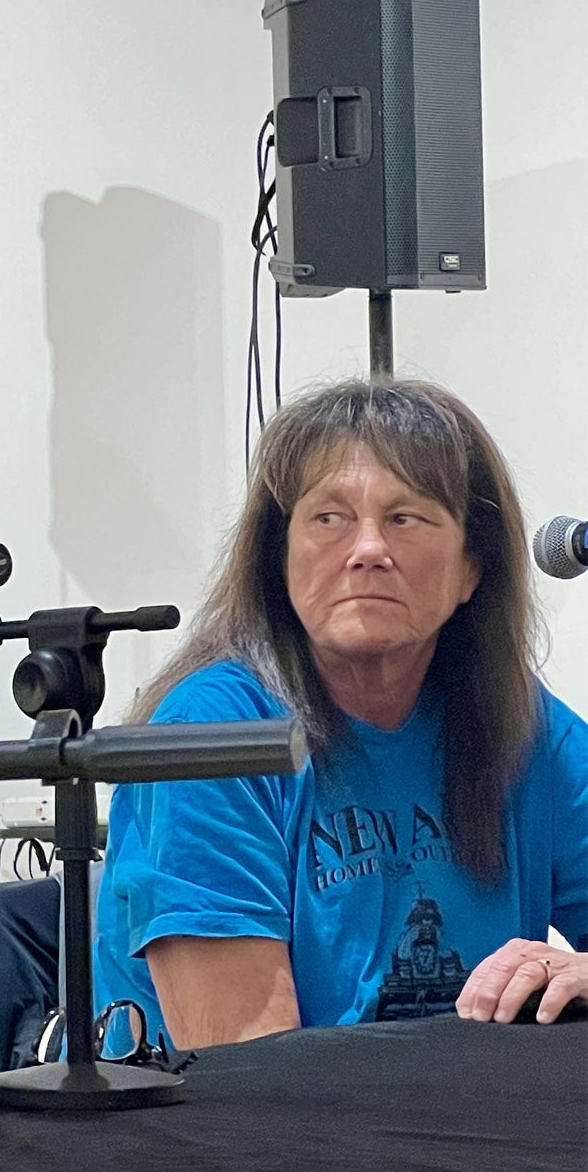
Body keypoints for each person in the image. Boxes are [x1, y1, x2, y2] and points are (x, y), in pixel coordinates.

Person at [95, 378, 588, 1052]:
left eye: (405, 518)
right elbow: (244, 1071)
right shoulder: (211, 736)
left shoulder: (524, 727)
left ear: (474, 566)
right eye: (328, 519)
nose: (367, 550)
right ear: (281, 559)